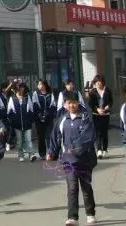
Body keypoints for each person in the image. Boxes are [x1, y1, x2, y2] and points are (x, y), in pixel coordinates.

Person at [47, 91, 99, 226]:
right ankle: (72, 218)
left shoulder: (85, 117)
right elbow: (55, 136)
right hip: (68, 160)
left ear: (78, 103)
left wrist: (75, 148)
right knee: (72, 188)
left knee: (86, 187)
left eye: (74, 103)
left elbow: (89, 136)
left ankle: (90, 214)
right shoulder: (62, 120)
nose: (71, 105)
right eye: (68, 103)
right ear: (65, 105)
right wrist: (51, 151)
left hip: (85, 159)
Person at [7, 82, 37, 161]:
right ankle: (21, 155)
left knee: (28, 140)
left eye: (22, 87)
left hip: (27, 123)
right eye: (19, 87)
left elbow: (31, 109)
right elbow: (9, 112)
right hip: (17, 124)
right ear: (16, 89)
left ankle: (31, 154)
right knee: (19, 141)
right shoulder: (12, 98)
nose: (21, 89)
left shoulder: (27, 97)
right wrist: (13, 120)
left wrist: (30, 119)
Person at [87, 75, 113, 158]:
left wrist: (108, 106)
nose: (98, 84)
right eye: (96, 82)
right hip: (96, 115)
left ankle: (105, 150)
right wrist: (97, 109)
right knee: (97, 132)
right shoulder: (93, 92)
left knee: (104, 132)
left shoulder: (107, 90)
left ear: (103, 82)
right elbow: (90, 103)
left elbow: (111, 101)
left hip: (106, 114)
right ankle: (99, 150)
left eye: (100, 82)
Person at [33, 79, 57, 159]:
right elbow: (35, 105)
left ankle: (51, 153)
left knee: (50, 135)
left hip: (49, 118)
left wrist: (48, 113)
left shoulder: (50, 93)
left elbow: (53, 105)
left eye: (42, 84)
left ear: (45, 85)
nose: (40, 86)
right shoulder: (35, 94)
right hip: (39, 119)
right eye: (39, 84)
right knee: (41, 136)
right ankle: (42, 153)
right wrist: (39, 114)